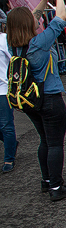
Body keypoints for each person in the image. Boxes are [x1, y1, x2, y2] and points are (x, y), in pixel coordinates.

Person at [7, 0, 66, 200]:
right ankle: (57, 188)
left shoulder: (14, 44)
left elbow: (32, 17)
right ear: (28, 25)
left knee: (44, 140)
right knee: (55, 143)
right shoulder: (39, 43)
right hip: (49, 98)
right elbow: (60, 17)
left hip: (30, 100)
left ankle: (47, 181)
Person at [0, 30, 17, 173]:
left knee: (6, 125)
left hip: (3, 89)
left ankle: (9, 158)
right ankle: (10, 142)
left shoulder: (4, 39)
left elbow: (15, 61)